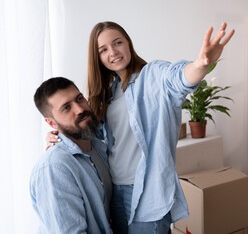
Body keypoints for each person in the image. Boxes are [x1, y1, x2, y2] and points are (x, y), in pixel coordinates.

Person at [47, 21, 234, 234]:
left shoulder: (152, 75)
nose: (113, 52)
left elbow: (177, 79)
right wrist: (58, 136)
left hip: (146, 193)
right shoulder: (110, 92)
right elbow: (91, 137)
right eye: (104, 50)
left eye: (118, 43)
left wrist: (201, 64)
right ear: (97, 58)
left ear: (128, 43)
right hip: (114, 189)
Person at [31, 77, 113, 234]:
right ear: (52, 124)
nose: (80, 109)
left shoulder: (98, 145)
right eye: (66, 108)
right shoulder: (55, 167)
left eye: (79, 99)